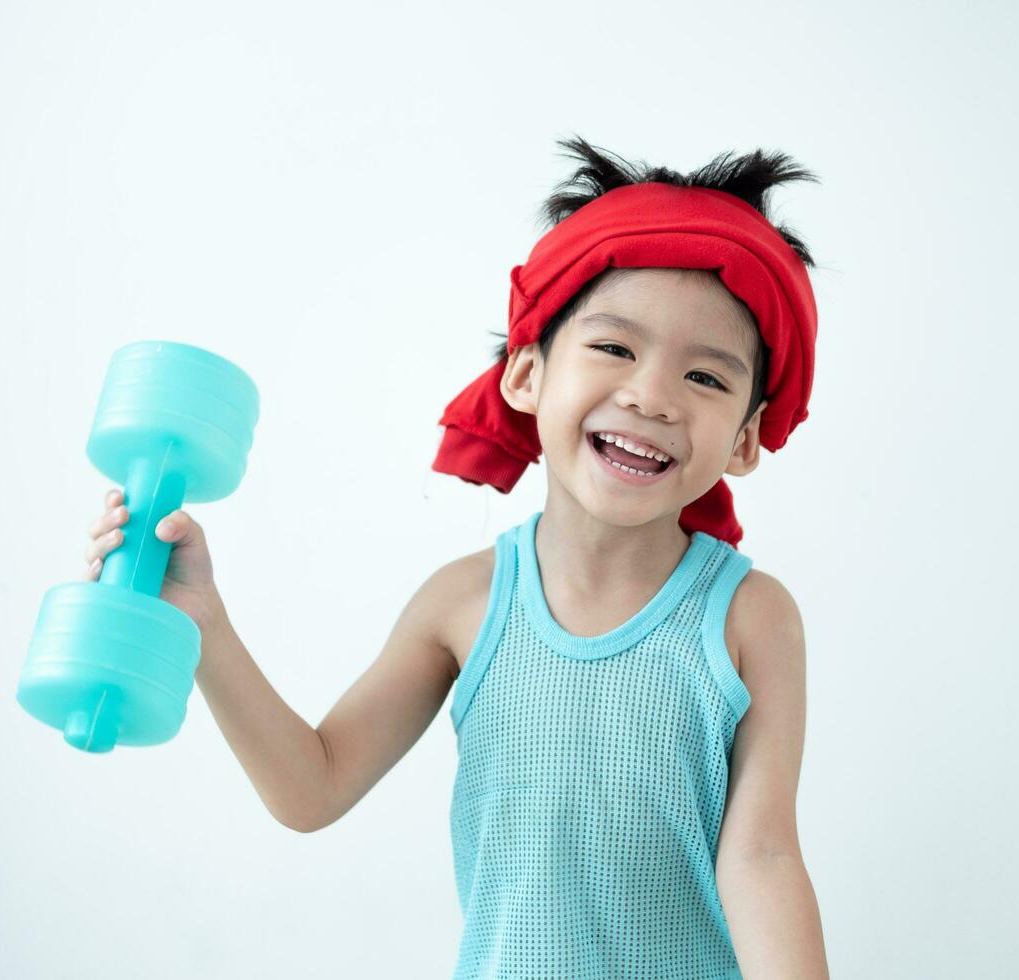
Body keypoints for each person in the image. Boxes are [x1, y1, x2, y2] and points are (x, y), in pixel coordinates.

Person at [82, 135, 830, 979]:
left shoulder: (751, 617)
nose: (650, 395)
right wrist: (203, 624)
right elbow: (312, 788)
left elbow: (762, 859)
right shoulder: (462, 605)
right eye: (615, 348)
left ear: (744, 439)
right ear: (524, 376)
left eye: (706, 378)